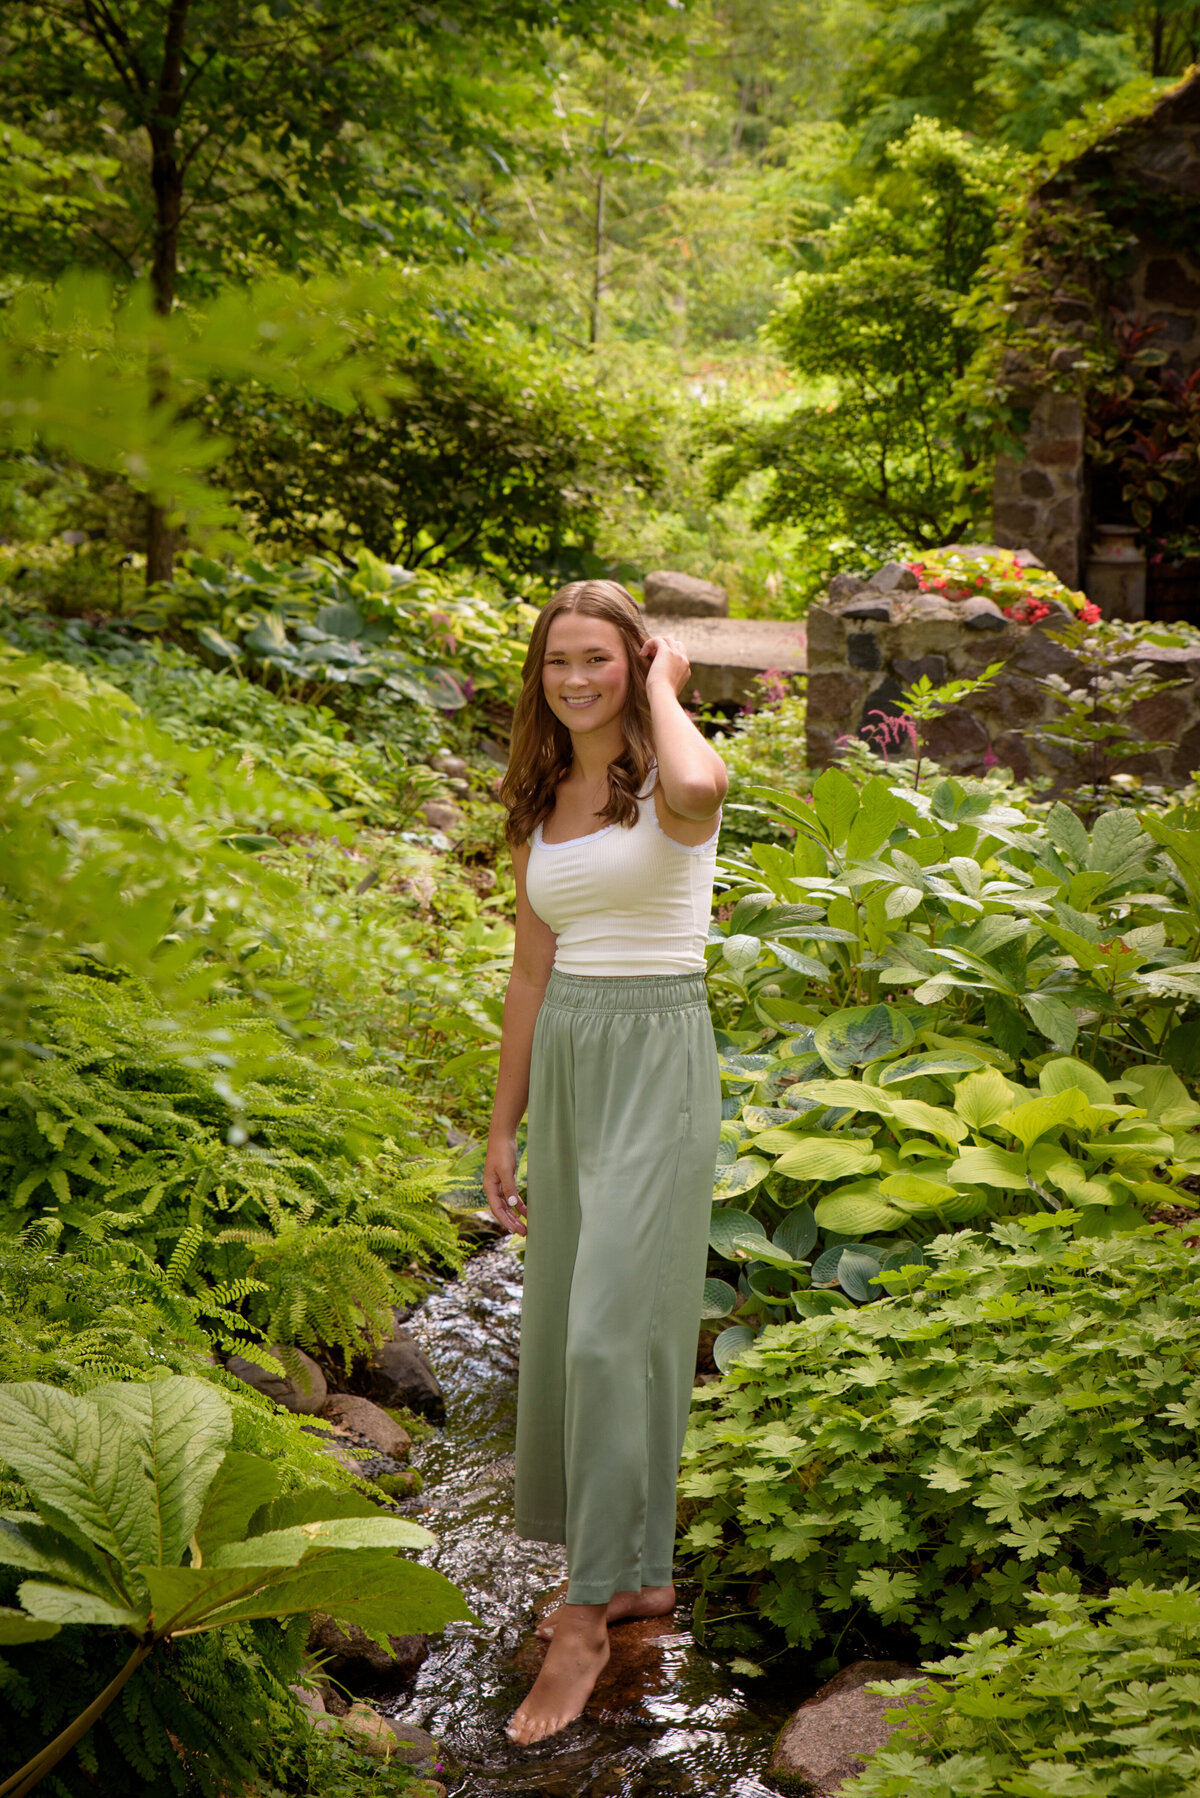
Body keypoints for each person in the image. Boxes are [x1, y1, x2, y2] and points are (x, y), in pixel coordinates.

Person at [483, 578, 727, 1745]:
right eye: (556, 660)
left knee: (609, 1327)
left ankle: (585, 1618)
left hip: (659, 1052)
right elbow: (531, 973)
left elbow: (700, 785)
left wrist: (670, 685)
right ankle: (636, 1575)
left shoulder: (668, 778)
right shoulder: (543, 795)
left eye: (599, 657)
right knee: (573, 1323)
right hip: (574, 1061)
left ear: (633, 659)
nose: (574, 678)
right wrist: (501, 1125)